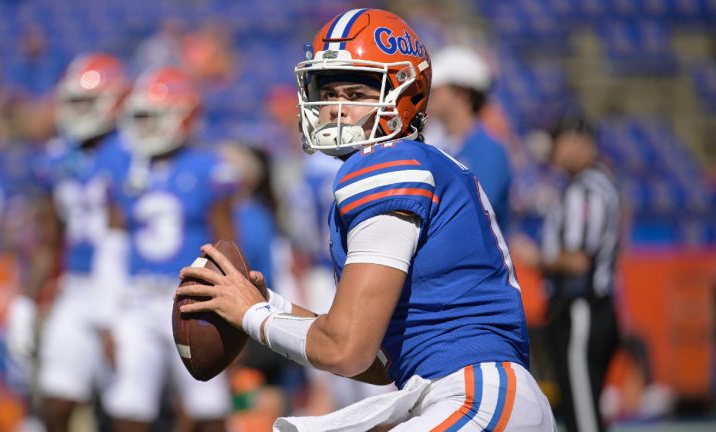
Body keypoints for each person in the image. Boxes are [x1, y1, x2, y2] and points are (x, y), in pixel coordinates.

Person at [177, 8, 555, 431]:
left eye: (356, 95)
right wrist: (273, 307)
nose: (337, 108)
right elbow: (378, 361)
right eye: (329, 91)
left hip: (475, 395)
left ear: (404, 96)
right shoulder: (409, 163)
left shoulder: (386, 163)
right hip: (456, 392)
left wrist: (252, 315)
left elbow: (346, 350)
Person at [100, 67, 233, 432]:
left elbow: (228, 247)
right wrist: (108, 314)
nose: (144, 127)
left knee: (208, 405)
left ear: (182, 117)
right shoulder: (124, 168)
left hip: (191, 300)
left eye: (153, 116)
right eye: (140, 117)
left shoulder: (210, 167)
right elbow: (112, 244)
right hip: (136, 297)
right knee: (129, 405)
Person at [4, 52, 130, 431]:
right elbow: (49, 240)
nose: (77, 111)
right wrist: (25, 301)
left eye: (86, 101)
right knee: (56, 401)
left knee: (129, 408)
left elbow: (124, 235)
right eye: (73, 101)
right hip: (77, 289)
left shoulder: (131, 154)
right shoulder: (58, 159)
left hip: (127, 292)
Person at [511, 116, 621, 432]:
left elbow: (578, 261)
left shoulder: (586, 189)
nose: (554, 150)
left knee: (582, 411)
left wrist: (536, 258)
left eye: (559, 140)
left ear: (578, 140)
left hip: (582, 307)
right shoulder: (591, 184)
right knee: (577, 404)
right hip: (584, 308)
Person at [427, 45, 513, 230]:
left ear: (461, 94)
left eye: (435, 90)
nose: (429, 96)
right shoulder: (438, 143)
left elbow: (470, 212)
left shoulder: (489, 151)